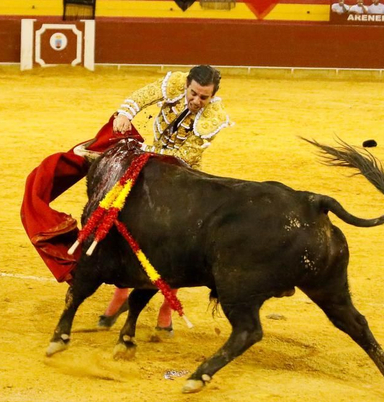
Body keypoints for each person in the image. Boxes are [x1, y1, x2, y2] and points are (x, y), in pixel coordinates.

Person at [21, 66, 233, 335]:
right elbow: (143, 96)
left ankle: (167, 307)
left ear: (212, 96)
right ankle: (120, 294)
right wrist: (125, 114)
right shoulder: (176, 84)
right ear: (187, 86)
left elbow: (186, 155)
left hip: (182, 173)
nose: (196, 101)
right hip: (147, 160)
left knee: (179, 238)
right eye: (193, 94)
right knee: (120, 220)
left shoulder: (213, 117)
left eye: (203, 98)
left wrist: (144, 151)